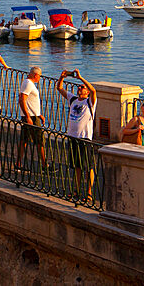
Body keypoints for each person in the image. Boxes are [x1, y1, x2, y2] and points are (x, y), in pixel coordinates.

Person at [57, 69, 97, 201]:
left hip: (85, 138)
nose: (80, 88)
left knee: (88, 166)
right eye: (79, 87)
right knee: (77, 166)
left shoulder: (90, 102)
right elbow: (60, 88)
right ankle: (77, 190)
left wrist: (81, 78)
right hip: (72, 136)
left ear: (86, 91)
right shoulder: (73, 99)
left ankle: (89, 192)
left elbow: (94, 91)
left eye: (82, 87)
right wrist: (62, 77)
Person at [16, 67, 46, 170]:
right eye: (40, 76)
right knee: (39, 141)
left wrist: (39, 114)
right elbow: (22, 100)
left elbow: (29, 101)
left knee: (25, 140)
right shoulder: (28, 83)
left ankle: (18, 164)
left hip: (33, 116)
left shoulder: (27, 82)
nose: (40, 78)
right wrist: (28, 116)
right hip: (31, 118)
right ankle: (44, 165)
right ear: (36, 75)